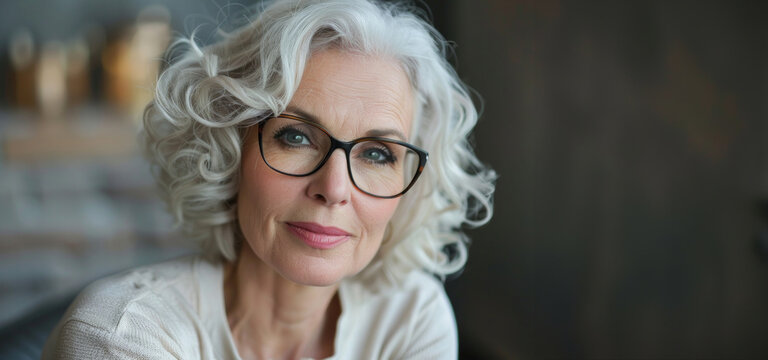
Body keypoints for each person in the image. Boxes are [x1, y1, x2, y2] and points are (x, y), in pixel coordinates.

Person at [42, 0, 495, 358]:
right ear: (228, 147)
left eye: (377, 154)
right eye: (296, 137)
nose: (334, 189)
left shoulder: (409, 317)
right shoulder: (121, 334)